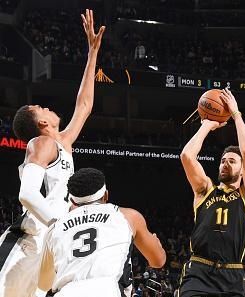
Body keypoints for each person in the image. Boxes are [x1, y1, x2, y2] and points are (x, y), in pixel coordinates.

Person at [0, 10, 105, 297]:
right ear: (42, 123)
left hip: (49, 246)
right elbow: (27, 194)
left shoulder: (62, 144)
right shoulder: (40, 144)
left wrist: (91, 53)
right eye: (42, 108)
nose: (47, 107)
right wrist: (61, 223)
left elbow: (83, 106)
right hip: (29, 242)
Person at [178, 88, 245, 296]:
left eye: (232, 161)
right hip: (198, 270)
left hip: (231, 275)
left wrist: (236, 115)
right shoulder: (205, 190)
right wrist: (207, 125)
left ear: (242, 170)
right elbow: (187, 157)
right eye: (223, 161)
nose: (225, 164)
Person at [38, 168, 166, 297]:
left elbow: (43, 284)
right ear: (106, 195)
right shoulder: (128, 216)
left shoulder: (55, 228)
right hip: (108, 290)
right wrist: (157, 243)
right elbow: (158, 261)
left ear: (72, 201)